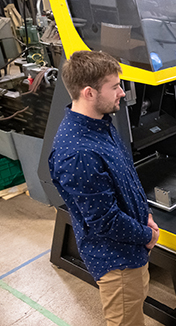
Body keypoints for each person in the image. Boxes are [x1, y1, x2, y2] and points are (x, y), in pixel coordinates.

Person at [49, 50, 159, 325]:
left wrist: (145, 215)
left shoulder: (100, 125)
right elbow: (105, 221)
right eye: (115, 86)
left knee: (136, 306)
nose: (122, 93)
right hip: (117, 260)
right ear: (89, 93)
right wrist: (146, 234)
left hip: (132, 246)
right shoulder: (77, 153)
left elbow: (126, 179)